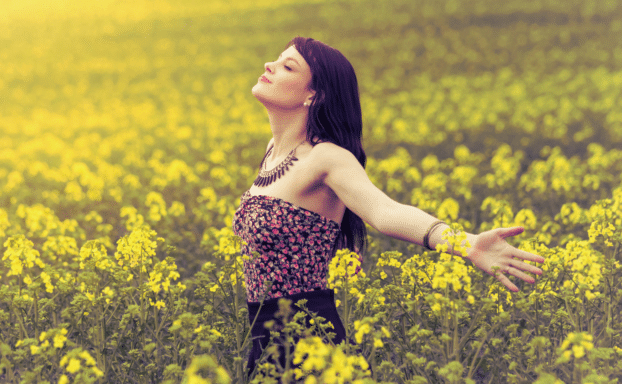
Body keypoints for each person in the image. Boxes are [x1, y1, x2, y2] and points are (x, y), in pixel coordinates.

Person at [232, 36, 545, 378]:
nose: (269, 66)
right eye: (276, 59)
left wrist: (466, 243)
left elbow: (384, 212)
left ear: (314, 95)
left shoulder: (326, 157)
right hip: (263, 336)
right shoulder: (271, 153)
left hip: (308, 338)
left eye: (287, 66)